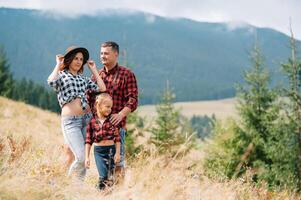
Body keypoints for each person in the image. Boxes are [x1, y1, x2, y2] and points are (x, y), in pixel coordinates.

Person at [47, 46, 106, 181]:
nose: (79, 61)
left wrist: (94, 69)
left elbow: (102, 88)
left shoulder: (83, 79)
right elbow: (51, 81)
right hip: (71, 121)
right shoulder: (62, 76)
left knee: (84, 158)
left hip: (86, 120)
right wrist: (58, 64)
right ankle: (65, 183)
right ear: (69, 60)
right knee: (80, 156)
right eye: (75, 58)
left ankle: (77, 190)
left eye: (81, 59)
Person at [87, 41, 138, 180]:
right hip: (100, 129)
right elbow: (90, 100)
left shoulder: (126, 75)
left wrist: (121, 114)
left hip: (117, 128)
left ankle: (119, 194)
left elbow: (133, 100)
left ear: (116, 54)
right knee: (102, 166)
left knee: (118, 163)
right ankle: (106, 192)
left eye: (106, 53)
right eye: (101, 53)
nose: (103, 56)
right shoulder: (97, 76)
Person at [85, 93, 121, 190]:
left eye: (111, 107)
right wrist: (87, 157)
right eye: (107, 107)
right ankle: (97, 192)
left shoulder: (112, 121)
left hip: (111, 151)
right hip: (99, 152)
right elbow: (88, 141)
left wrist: (117, 153)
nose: (110, 109)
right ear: (99, 106)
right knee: (103, 176)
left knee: (110, 177)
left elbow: (117, 139)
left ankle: (107, 195)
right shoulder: (92, 122)